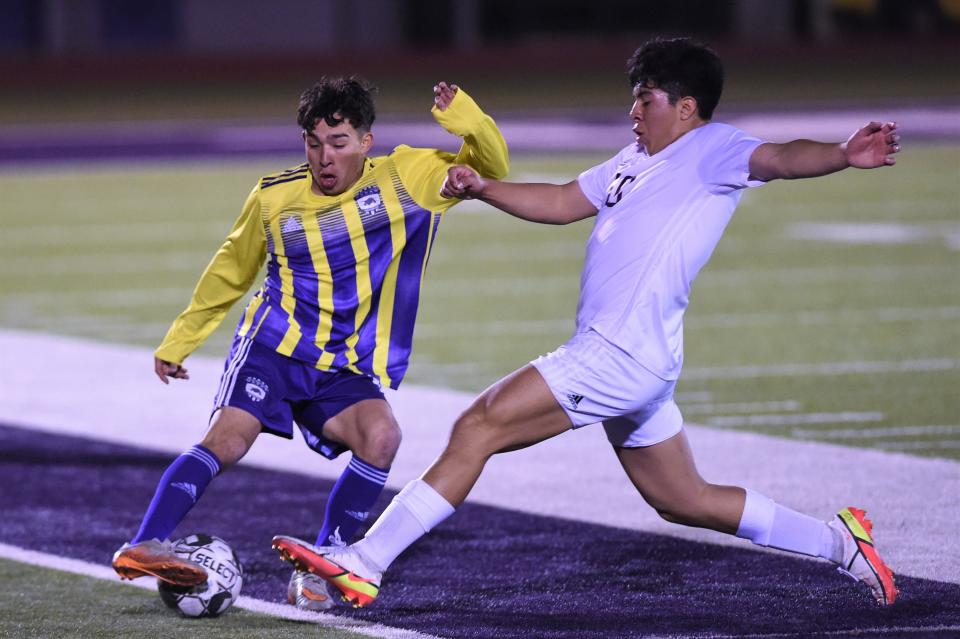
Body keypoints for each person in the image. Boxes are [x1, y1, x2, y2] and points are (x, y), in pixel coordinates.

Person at [271, 38, 901, 609]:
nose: (634, 112)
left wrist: (844, 154)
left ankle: (365, 561)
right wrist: (485, 187)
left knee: (479, 425)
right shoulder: (632, 159)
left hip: (618, 354)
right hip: (641, 357)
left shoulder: (713, 149)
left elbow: (784, 158)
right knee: (683, 498)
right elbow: (566, 200)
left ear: (685, 107)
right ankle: (839, 542)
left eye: (645, 100)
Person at [111, 76, 509, 611]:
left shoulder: (407, 176)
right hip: (273, 347)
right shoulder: (274, 196)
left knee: (381, 436)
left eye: (339, 143)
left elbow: (493, 167)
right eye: (314, 142)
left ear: (366, 143)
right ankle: (146, 542)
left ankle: (326, 566)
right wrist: (180, 340)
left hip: (340, 363)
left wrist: (464, 118)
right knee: (229, 439)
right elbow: (231, 270)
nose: (325, 157)